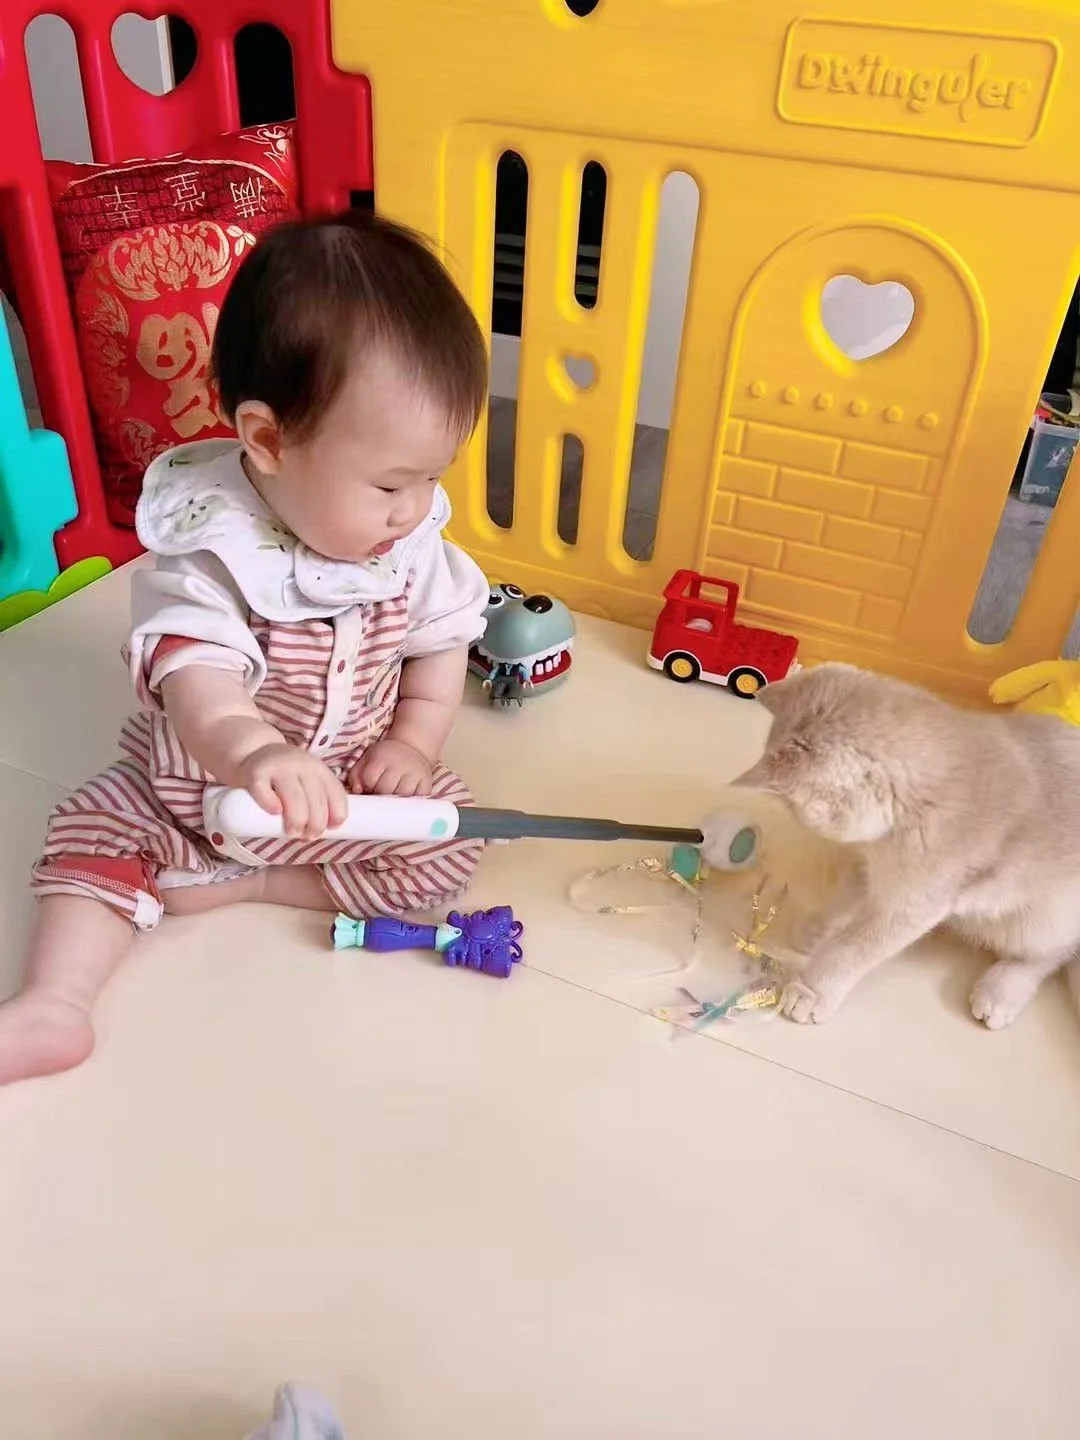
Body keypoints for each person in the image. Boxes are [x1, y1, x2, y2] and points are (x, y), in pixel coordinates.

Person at [0, 211, 491, 1085]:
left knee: (453, 837)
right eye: (390, 483)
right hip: (190, 793)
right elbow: (201, 685)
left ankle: (255, 887)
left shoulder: (407, 541)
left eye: (431, 478)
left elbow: (440, 642)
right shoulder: (213, 550)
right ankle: (55, 1005)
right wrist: (254, 753)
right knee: (87, 829)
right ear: (266, 440)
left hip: (343, 798)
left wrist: (414, 744)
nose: (414, 508)